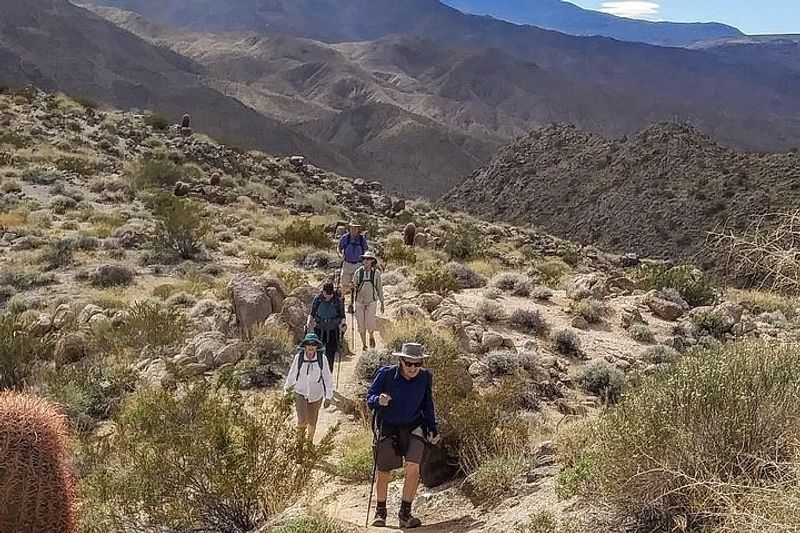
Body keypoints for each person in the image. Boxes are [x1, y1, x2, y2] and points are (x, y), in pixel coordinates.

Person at [366, 343, 439, 529]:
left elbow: (427, 403)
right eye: (409, 364)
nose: (413, 368)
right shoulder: (386, 374)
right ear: (401, 361)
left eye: (418, 364)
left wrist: (433, 428)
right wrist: (378, 400)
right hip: (388, 426)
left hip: (414, 425)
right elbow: (370, 398)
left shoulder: (425, 377)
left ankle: (405, 513)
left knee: (413, 467)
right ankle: (380, 511)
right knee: (384, 470)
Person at [283, 333, 333, 442]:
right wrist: (286, 391)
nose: (311, 346)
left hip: (316, 395)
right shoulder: (299, 358)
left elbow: (327, 377)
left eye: (313, 344)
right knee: (302, 420)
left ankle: (309, 442)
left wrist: (328, 396)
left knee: (312, 421)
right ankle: (299, 445)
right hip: (300, 393)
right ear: (304, 345)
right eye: (308, 344)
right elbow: (292, 374)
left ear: (317, 346)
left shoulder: (322, 359)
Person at [307, 282, 346, 372]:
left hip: (332, 330)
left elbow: (342, 316)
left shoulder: (338, 301)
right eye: (327, 294)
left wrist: (343, 325)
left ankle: (328, 374)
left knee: (330, 354)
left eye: (330, 294)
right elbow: (312, 313)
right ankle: (316, 372)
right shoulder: (318, 299)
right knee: (317, 352)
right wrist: (308, 323)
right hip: (319, 330)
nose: (328, 296)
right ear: (323, 292)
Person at [351, 251, 384, 352]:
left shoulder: (376, 273)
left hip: (371, 301)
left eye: (368, 259)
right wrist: (352, 287)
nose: (366, 261)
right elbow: (354, 285)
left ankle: (371, 336)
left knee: (370, 323)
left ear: (372, 261)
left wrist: (382, 302)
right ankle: (364, 345)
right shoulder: (358, 272)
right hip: (359, 301)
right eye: (365, 259)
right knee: (361, 325)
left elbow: (379, 288)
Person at [338, 222, 368, 297]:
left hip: (358, 264)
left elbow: (366, 249)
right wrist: (340, 255)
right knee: (344, 284)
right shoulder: (345, 238)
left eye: (356, 228)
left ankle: (355, 302)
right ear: (349, 228)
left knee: (358, 285)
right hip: (347, 263)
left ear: (358, 229)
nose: (354, 230)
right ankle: (341, 300)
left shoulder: (362, 239)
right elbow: (339, 247)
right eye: (352, 228)